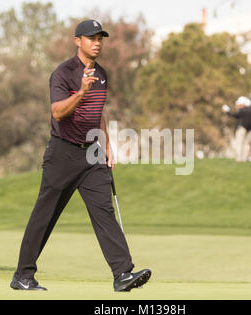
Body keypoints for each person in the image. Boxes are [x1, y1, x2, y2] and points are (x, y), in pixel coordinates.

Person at [10, 19, 151, 292]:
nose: (97, 43)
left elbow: (99, 111)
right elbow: (57, 112)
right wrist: (82, 92)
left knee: (104, 212)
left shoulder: (103, 73)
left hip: (92, 156)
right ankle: (23, 276)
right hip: (63, 153)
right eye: (91, 38)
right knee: (45, 215)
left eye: (100, 38)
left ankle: (122, 273)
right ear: (78, 41)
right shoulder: (63, 73)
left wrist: (107, 145)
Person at [222, 96, 251, 162]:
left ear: (243, 104)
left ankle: (240, 158)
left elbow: (235, 115)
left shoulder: (244, 110)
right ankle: (247, 158)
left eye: (239, 104)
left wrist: (227, 112)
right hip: (248, 130)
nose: (238, 105)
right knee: (249, 143)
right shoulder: (250, 110)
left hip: (244, 129)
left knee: (243, 143)